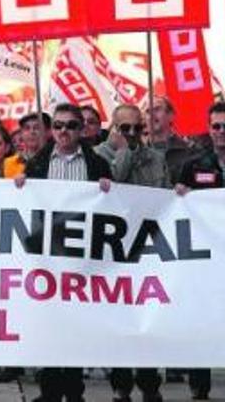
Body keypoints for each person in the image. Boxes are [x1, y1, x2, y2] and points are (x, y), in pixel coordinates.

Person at [16, 103, 112, 402]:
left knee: (75, 328)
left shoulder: (95, 165)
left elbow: (110, 209)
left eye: (71, 126)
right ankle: (49, 391)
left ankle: (73, 391)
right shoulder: (37, 165)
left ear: (81, 130)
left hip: (81, 260)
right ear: (51, 130)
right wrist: (20, 186)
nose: (63, 132)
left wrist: (109, 188)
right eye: (57, 126)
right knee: (48, 326)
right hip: (46, 258)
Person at [92, 104, 167, 402]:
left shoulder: (157, 158)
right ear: (115, 128)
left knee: (147, 320)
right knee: (119, 322)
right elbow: (116, 182)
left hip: (147, 249)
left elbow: (164, 194)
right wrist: (126, 150)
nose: (134, 134)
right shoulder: (100, 156)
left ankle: (150, 384)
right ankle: (120, 386)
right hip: (115, 253)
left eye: (138, 128)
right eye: (126, 129)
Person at [175, 102, 225, 400]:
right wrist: (180, 197)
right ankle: (199, 387)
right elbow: (176, 209)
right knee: (203, 320)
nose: (222, 132)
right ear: (209, 129)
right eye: (216, 126)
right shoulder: (194, 165)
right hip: (205, 261)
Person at [147, 96, 199, 184]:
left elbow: (206, 178)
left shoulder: (189, 151)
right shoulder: (138, 155)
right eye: (148, 111)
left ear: (171, 115)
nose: (152, 114)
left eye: (157, 109)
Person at [3, 113, 51, 180]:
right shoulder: (9, 163)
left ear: (48, 132)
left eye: (37, 128)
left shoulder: (54, 160)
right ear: (21, 133)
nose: (32, 132)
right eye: (27, 128)